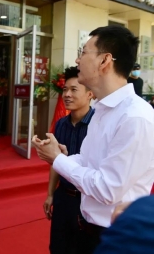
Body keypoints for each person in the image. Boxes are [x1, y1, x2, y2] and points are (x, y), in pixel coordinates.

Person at [32, 25, 154, 253]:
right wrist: (63, 156)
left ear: (104, 61)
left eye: (83, 52)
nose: (78, 60)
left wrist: (59, 161)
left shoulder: (135, 117)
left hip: (112, 235)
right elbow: (89, 161)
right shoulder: (102, 109)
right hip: (85, 225)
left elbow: (107, 189)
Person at [43, 66, 94, 254]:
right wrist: (50, 194)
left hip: (87, 198)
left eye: (74, 90)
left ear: (90, 94)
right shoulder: (61, 124)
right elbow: (56, 162)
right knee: (58, 246)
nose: (67, 94)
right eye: (65, 89)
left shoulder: (97, 124)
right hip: (63, 196)